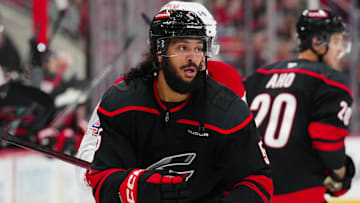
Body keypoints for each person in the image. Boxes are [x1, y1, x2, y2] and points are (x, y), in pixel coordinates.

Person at [85, 1, 272, 203]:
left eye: (199, 47)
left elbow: (258, 181)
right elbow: (95, 175)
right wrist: (134, 187)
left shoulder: (229, 109)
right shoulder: (122, 100)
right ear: (159, 51)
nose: (193, 57)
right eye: (182, 47)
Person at [245, 9, 355, 203]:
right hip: (301, 193)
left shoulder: (256, 78)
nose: (340, 50)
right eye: (337, 42)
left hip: (255, 192)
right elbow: (327, 139)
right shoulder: (330, 81)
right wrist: (340, 174)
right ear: (317, 43)